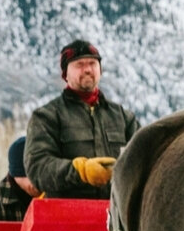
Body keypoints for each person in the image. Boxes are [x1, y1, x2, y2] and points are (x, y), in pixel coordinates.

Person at [25, 38, 139, 199]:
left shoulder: (123, 117)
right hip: (64, 217)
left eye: (92, 64)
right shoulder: (46, 117)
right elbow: (38, 169)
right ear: (65, 74)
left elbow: (144, 158)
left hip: (115, 216)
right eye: (79, 65)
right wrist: (81, 171)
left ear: (100, 70)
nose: (87, 70)